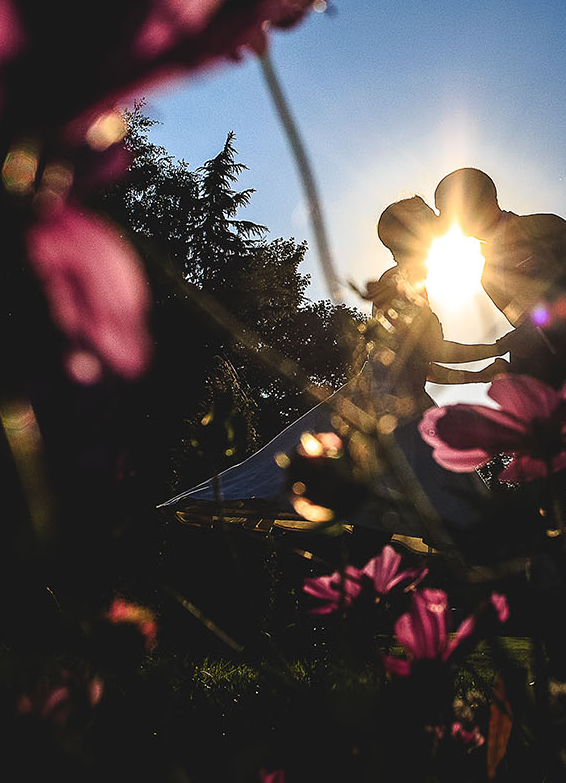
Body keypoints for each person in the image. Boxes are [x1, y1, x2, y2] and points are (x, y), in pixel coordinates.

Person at [161, 196, 508, 543]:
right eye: (426, 216)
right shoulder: (400, 282)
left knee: (382, 512)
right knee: (383, 508)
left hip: (399, 402)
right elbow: (429, 351)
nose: (437, 220)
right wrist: (496, 347)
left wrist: (480, 375)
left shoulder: (412, 282)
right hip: (382, 407)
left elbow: (418, 364)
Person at [433, 167, 566, 539]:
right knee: (538, 517)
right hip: (533, 404)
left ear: (480, 200)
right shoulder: (487, 272)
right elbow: (530, 324)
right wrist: (516, 349)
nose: (448, 222)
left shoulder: (547, 228)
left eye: (450, 211)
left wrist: (540, 329)